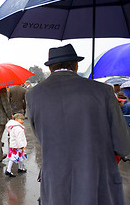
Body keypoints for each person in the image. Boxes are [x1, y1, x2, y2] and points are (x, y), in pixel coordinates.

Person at [26, 44, 130, 205]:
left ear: (51, 68)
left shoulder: (33, 94)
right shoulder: (103, 91)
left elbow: (40, 135)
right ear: (76, 65)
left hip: (55, 181)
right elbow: (123, 144)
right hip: (97, 180)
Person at [5, 113, 27, 177]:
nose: (22, 121)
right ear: (16, 119)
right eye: (21, 120)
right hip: (18, 146)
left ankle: (20, 168)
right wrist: (22, 146)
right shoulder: (19, 129)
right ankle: (9, 170)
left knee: (19, 157)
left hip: (14, 145)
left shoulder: (13, 127)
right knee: (13, 158)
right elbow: (19, 139)